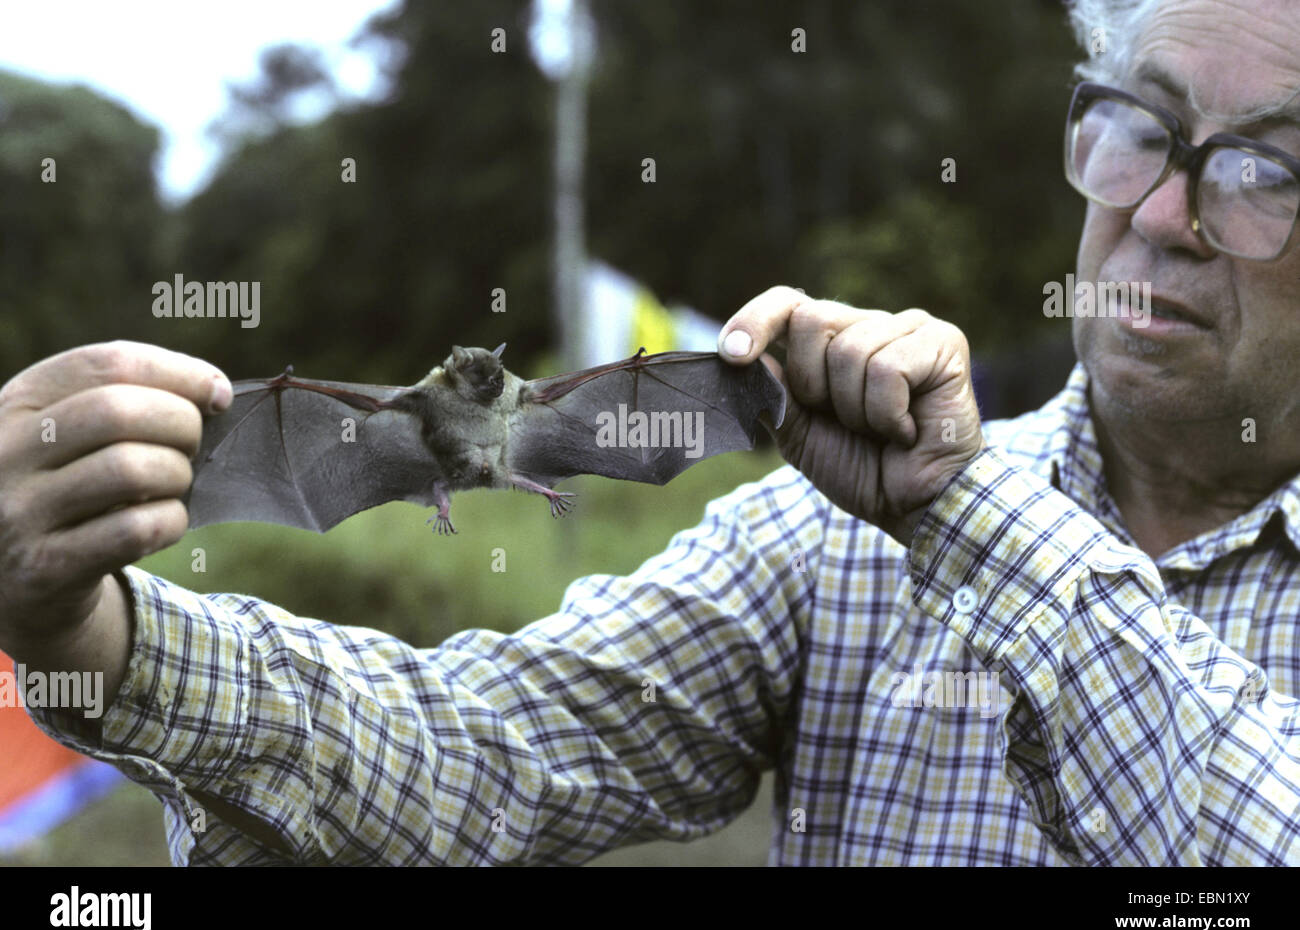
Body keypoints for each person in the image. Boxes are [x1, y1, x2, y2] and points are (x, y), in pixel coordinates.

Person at [2, 0, 1299, 865]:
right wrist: (97, 638)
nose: (1166, 210)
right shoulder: (829, 540)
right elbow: (480, 755)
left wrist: (969, 512)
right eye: (1139, 129)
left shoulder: (925, 510)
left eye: (1264, 168)